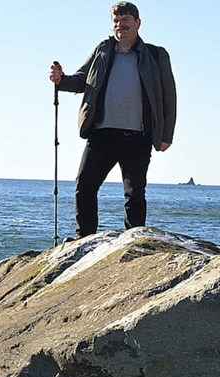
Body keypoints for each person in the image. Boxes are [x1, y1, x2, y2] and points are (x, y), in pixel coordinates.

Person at [48, 2, 177, 240]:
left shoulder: (156, 54)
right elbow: (81, 80)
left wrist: (166, 135)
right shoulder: (103, 50)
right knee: (84, 187)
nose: (121, 25)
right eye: (116, 20)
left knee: (135, 193)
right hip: (101, 134)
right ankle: (84, 239)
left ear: (138, 23)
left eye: (126, 20)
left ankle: (134, 240)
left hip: (137, 136)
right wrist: (60, 79)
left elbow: (169, 96)